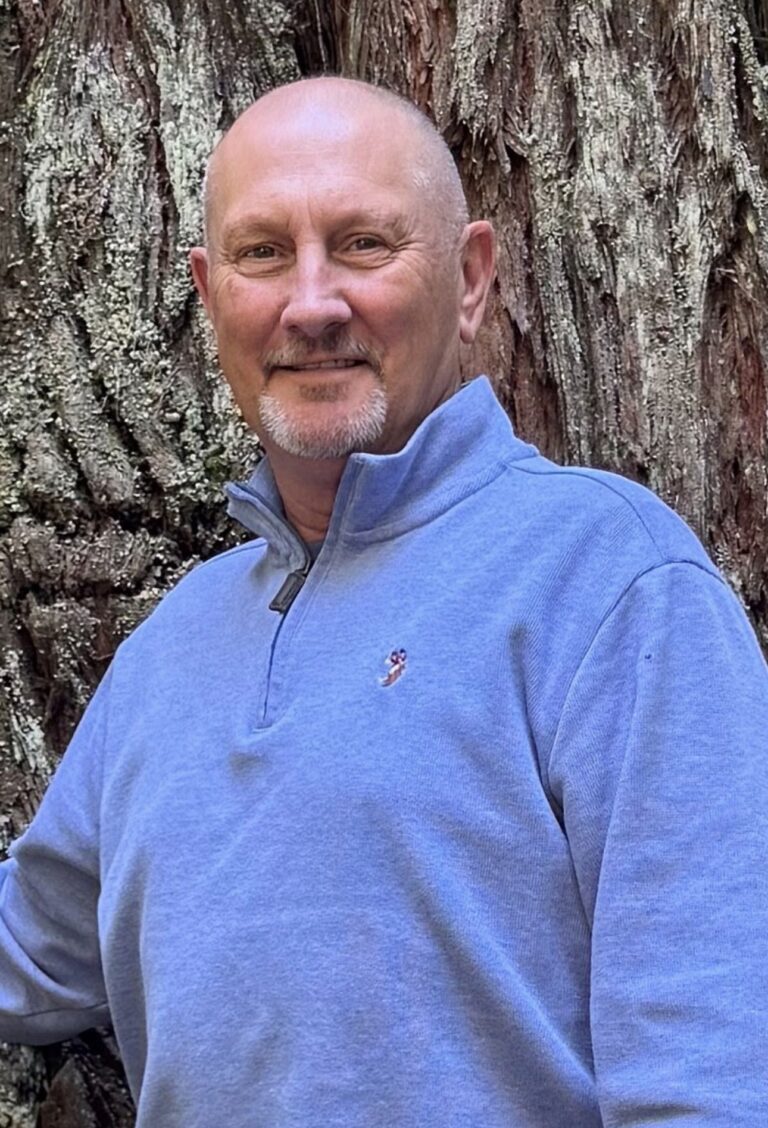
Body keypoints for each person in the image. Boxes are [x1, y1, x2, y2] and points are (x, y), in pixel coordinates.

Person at [1, 75, 766, 1127]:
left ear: (470, 280)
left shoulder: (611, 583)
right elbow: (31, 949)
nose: (312, 304)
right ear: (210, 294)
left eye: (363, 244)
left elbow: (715, 1074)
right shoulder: (172, 648)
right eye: (263, 252)